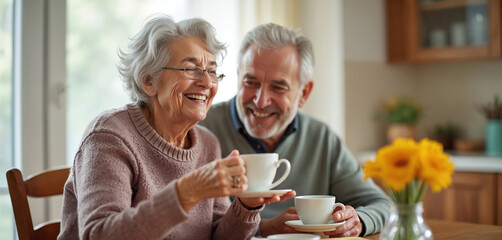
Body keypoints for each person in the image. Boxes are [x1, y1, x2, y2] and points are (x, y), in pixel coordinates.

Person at [58, 15, 292, 240]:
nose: (207, 82)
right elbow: (99, 234)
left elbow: (218, 236)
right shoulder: (110, 136)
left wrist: (246, 205)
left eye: (212, 71)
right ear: (149, 80)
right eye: (191, 69)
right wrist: (186, 193)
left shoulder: (207, 143)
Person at [199, 23, 391, 238]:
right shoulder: (202, 131)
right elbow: (193, 226)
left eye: (278, 87)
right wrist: (264, 228)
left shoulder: (321, 139)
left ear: (304, 93)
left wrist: (357, 222)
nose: (260, 101)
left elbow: (378, 203)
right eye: (250, 82)